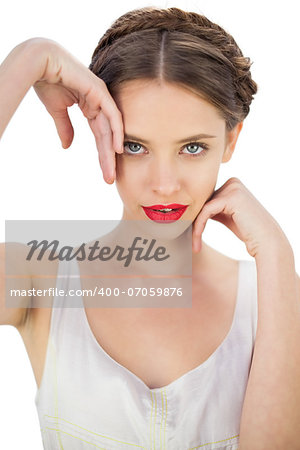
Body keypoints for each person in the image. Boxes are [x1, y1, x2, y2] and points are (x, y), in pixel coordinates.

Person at [1, 6, 300, 450]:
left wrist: (278, 255)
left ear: (232, 140)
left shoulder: (273, 294)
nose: (164, 184)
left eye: (193, 147)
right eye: (136, 146)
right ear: (103, 133)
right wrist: (28, 59)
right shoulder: (39, 278)